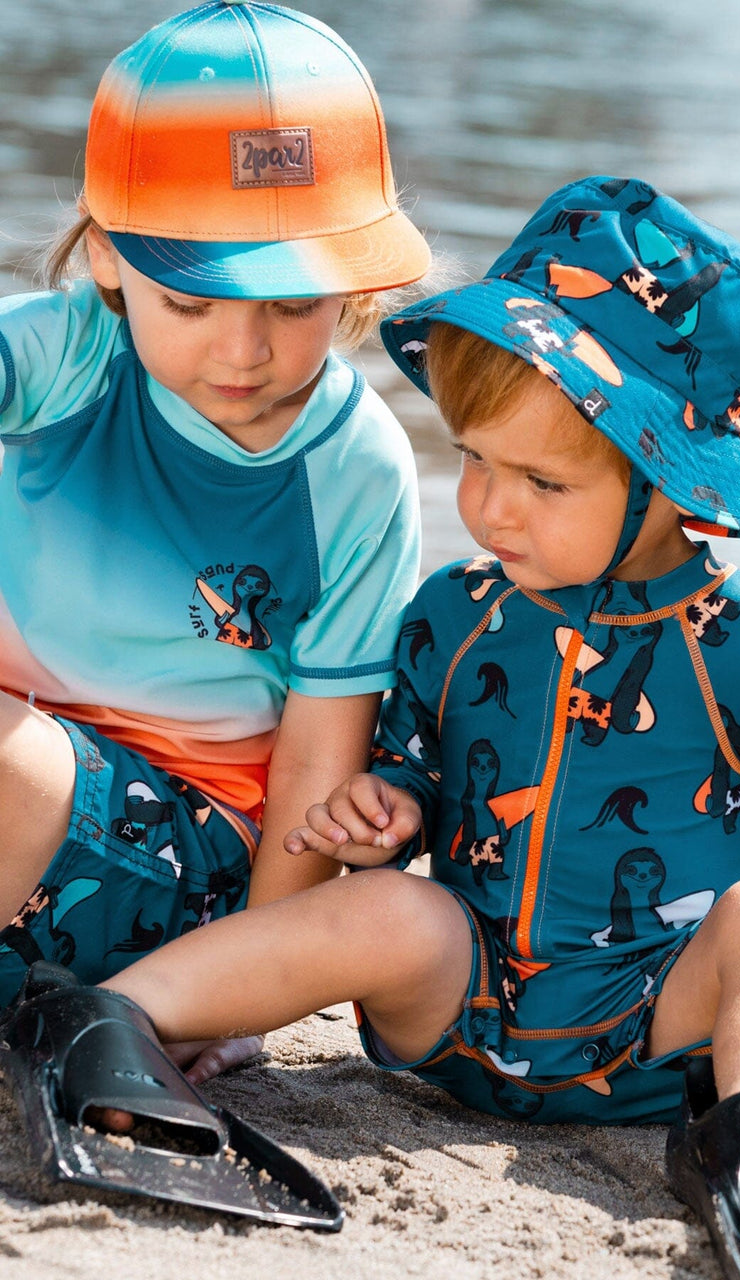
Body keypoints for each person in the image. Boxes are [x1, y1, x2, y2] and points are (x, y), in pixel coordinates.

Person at [100, 174, 740, 1123]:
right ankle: (123, 1019)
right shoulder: (457, 611)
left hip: (659, 1035)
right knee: (392, 913)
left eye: (542, 484)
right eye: (475, 458)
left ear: (671, 483)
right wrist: (392, 808)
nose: (488, 507)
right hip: (459, 1014)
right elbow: (414, 759)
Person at [0, 0, 430, 1078]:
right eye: (191, 302)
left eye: (290, 305)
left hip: (176, 873)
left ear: (355, 279)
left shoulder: (353, 470)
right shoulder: (62, 357)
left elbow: (316, 764)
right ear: (107, 257)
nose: (242, 349)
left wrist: (236, 997)